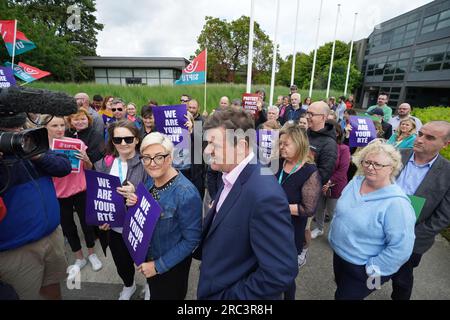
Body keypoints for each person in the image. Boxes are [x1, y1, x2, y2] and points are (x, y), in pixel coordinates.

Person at [196, 108, 298, 299]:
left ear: (241, 146)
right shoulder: (230, 173)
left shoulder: (265, 196)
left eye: (213, 144)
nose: (207, 151)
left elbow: (280, 273)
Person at [329, 140, 416, 300]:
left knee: (347, 296)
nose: (370, 167)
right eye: (367, 162)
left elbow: (401, 249)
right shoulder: (355, 182)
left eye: (377, 164)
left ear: (392, 167)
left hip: (366, 267)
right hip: (340, 256)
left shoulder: (397, 204)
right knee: (342, 289)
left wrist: (372, 270)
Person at [0, 115, 72, 300]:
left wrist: (35, 153)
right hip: (17, 251)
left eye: (19, 128)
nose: (17, 136)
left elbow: (63, 166)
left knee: (53, 287)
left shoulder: (32, 143)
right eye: (9, 132)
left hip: (52, 236)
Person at [126, 132, 202, 300]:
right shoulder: (150, 182)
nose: (152, 164)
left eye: (159, 157)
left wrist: (157, 266)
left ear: (170, 158)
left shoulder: (186, 193)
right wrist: (135, 203)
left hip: (170, 267)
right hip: (150, 258)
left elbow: (192, 240)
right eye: (146, 157)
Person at [392, 121, 450, 300]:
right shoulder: (395, 156)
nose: (420, 139)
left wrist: (410, 235)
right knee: (369, 272)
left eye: (430, 137)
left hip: (414, 238)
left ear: (445, 144)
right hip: (377, 228)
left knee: (402, 279)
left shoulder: (447, 172)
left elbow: (443, 216)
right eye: (420, 134)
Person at [95, 120, 149, 300]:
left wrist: (137, 195)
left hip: (141, 226)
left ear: (136, 140)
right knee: (121, 263)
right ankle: (129, 285)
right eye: (118, 140)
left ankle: (149, 285)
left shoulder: (146, 163)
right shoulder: (104, 164)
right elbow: (98, 196)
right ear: (112, 141)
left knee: (146, 261)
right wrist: (101, 218)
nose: (123, 143)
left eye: (128, 139)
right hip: (115, 228)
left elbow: (156, 193)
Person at [44, 115, 103, 273]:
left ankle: (91, 254)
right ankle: (79, 257)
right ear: (46, 128)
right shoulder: (42, 149)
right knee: (68, 227)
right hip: (59, 195)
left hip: (80, 191)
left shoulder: (77, 143)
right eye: (54, 126)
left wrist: (86, 159)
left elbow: (89, 168)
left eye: (62, 125)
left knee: (87, 224)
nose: (59, 129)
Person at [276, 124, 321, 299]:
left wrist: (278, 208)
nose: (281, 148)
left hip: (290, 231)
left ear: (300, 144)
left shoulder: (310, 171)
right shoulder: (275, 162)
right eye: (280, 143)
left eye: (286, 144)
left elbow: (308, 209)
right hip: (268, 226)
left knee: (286, 275)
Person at [313, 120, 351, 246]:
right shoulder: (321, 145)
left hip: (335, 186)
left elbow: (343, 170)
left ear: (339, 133)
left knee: (334, 211)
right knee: (319, 208)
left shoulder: (344, 149)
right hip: (320, 183)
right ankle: (319, 228)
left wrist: (328, 182)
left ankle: (335, 234)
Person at [306, 102, 338, 239]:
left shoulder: (329, 144)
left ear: (323, 117)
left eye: (311, 114)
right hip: (291, 189)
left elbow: (323, 174)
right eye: (307, 112)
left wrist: (302, 184)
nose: (307, 117)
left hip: (306, 195)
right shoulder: (305, 133)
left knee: (302, 230)